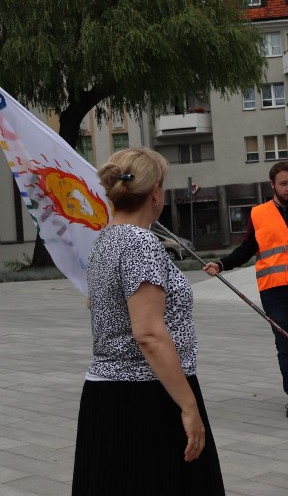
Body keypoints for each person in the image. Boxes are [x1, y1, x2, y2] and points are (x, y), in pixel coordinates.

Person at [73, 147, 225, 495]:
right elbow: (149, 334)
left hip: (109, 394)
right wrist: (188, 406)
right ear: (155, 191)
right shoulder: (141, 243)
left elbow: (96, 303)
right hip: (147, 397)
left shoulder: (105, 240)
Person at [203, 161, 288, 422]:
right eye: (283, 184)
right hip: (274, 292)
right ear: (272, 185)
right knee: (285, 347)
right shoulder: (259, 214)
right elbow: (246, 249)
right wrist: (221, 264)